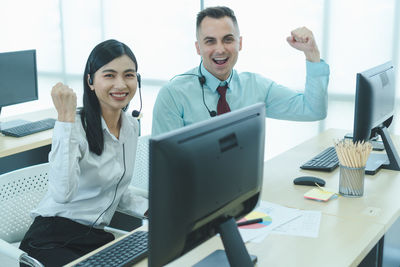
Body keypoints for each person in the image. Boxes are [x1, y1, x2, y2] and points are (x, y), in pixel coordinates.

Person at [19, 39, 147, 266]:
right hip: (51, 237)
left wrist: (151, 209)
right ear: (90, 81)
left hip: (94, 235)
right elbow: (62, 194)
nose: (121, 84)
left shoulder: (131, 127)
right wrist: (65, 121)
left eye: (129, 75)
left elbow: (116, 190)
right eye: (109, 75)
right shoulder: (74, 126)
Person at [152, 6, 330, 135]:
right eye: (210, 41)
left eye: (228, 40)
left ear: (240, 43)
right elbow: (165, 164)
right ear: (198, 48)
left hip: (246, 183)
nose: (220, 49)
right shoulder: (173, 94)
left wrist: (311, 53)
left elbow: (313, 110)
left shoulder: (256, 86)